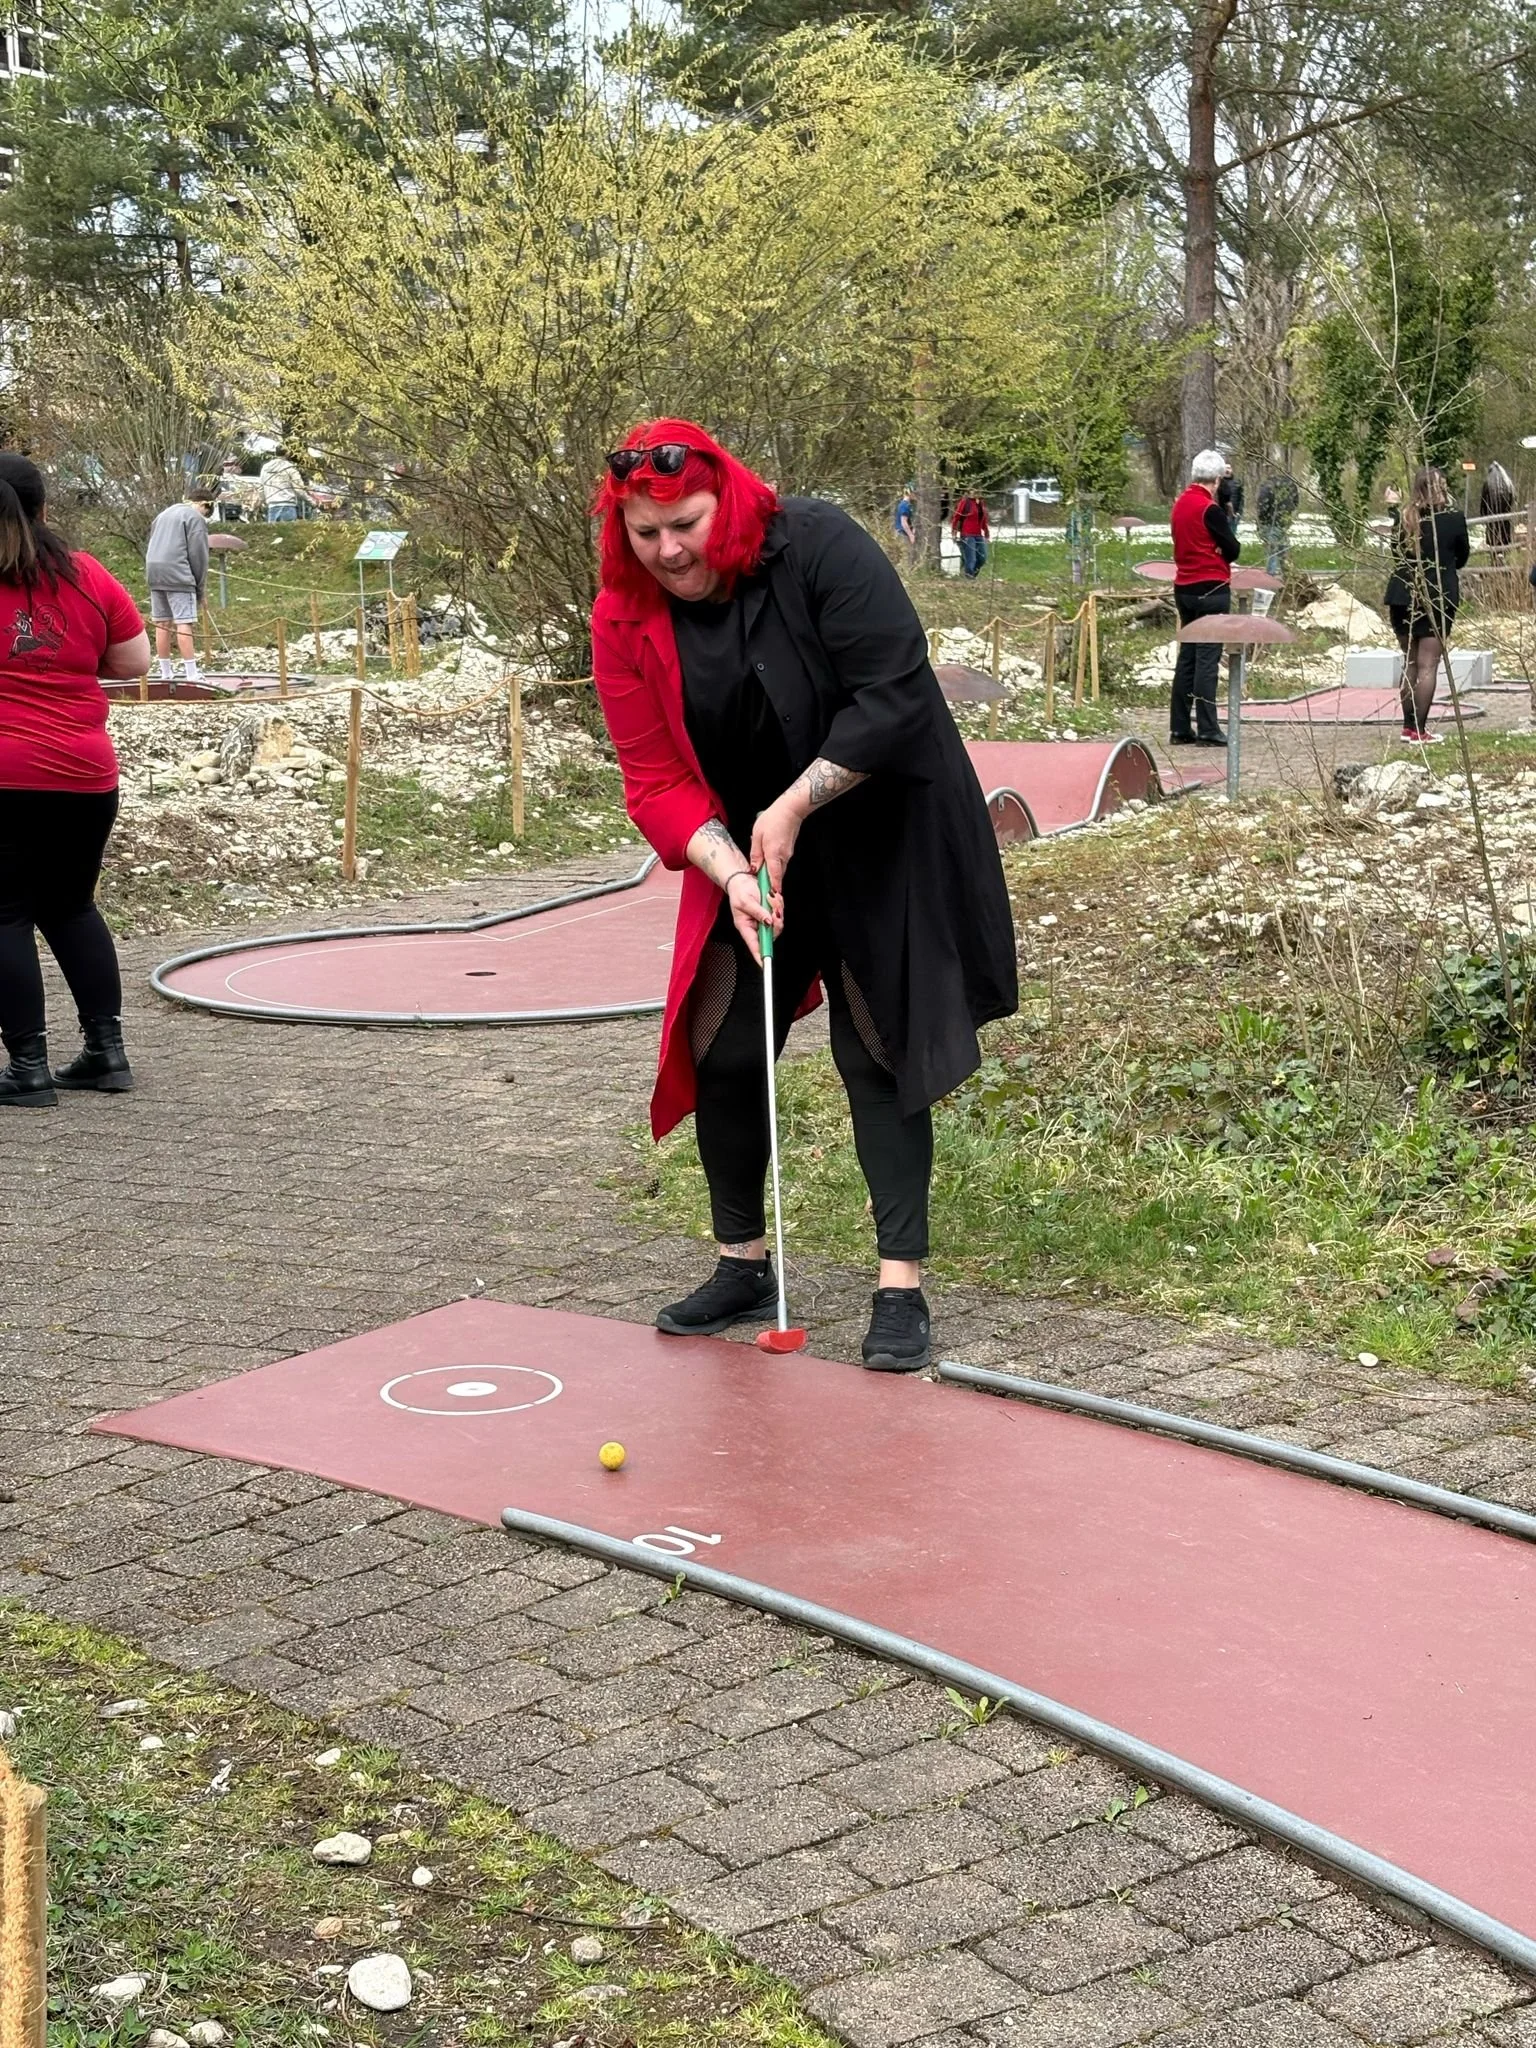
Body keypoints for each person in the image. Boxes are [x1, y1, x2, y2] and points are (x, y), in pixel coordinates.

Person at [591, 419, 1018, 1371]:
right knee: (726, 1041)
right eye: (646, 535)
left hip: (877, 825)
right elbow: (654, 775)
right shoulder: (622, 617)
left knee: (874, 1047)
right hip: (747, 851)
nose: (670, 551)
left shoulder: (816, 543)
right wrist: (734, 868)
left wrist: (790, 807)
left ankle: (899, 1283)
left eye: (687, 525)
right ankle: (741, 1261)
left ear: (727, 504)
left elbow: (896, 694)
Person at [0, 455, 151, 1105]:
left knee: (4, 913)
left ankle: (28, 1068)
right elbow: (133, 660)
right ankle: (106, 1054)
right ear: (44, 507)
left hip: (5, 774)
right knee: (70, 906)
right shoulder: (86, 572)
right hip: (85, 775)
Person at [1382, 467, 1468, 745]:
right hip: (1436, 594)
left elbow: (1397, 554)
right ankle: (1420, 730)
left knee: (1410, 662)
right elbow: (1462, 557)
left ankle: (1408, 728)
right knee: (1428, 665)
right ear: (1442, 488)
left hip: (1401, 594)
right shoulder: (1454, 519)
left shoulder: (1406, 518)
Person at [1169, 448, 1239, 746]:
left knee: (1187, 658)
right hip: (1211, 587)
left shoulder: (1179, 505)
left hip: (1184, 587)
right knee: (1207, 660)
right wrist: (1220, 548)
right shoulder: (1208, 509)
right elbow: (1233, 548)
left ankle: (1180, 727)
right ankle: (1209, 727)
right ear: (1216, 480)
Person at [144, 487, 211, 685]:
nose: (205, 516)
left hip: (154, 572)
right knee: (184, 622)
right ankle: (191, 674)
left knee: (162, 622)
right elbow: (199, 555)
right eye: (207, 512)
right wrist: (200, 588)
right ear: (203, 505)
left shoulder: (163, 514)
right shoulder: (194, 518)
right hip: (178, 574)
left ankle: (166, 673)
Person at [1255, 472, 1300, 578]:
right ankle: (1287, 575)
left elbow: (1262, 505)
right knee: (1282, 549)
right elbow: (1296, 502)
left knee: (1272, 552)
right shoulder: (1291, 485)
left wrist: (1261, 521)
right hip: (1284, 521)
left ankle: (1270, 577)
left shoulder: (1268, 485)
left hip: (1270, 522)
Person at [258, 450, 309, 522]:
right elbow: (298, 488)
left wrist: (262, 501)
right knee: (288, 532)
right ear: (287, 453)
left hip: (272, 506)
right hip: (288, 505)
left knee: (274, 532)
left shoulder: (265, 467)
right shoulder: (290, 467)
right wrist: (312, 501)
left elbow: (261, 487)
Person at [1480, 460, 1515, 563]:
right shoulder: (1507, 481)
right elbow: (1512, 497)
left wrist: (1483, 515)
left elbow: (1483, 500)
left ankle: (1495, 560)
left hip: (1492, 516)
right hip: (1505, 516)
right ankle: (1503, 559)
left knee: (1493, 538)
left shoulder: (1488, 481)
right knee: (1504, 537)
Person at [950, 490, 991, 578]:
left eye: (977, 492)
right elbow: (956, 517)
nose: (975, 494)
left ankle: (972, 574)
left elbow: (983, 520)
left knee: (982, 558)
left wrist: (987, 533)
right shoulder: (965, 502)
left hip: (978, 534)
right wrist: (954, 532)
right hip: (967, 534)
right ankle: (969, 577)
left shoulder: (980, 503)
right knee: (971, 559)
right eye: (973, 492)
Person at [893, 488, 916, 560]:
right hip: (902, 534)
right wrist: (911, 535)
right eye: (915, 493)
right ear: (910, 493)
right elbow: (904, 522)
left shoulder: (906, 505)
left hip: (902, 533)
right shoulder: (904, 506)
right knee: (906, 557)